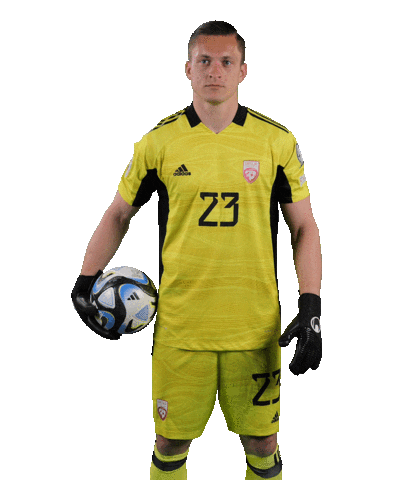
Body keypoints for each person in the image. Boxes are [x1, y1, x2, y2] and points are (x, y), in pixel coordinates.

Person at [72, 20, 322, 480]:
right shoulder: (159, 142)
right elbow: (118, 214)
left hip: (254, 327)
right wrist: (84, 282)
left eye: (226, 61)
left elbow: (304, 227)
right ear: (188, 68)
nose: (214, 71)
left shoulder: (277, 142)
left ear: (243, 70)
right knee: (169, 442)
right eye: (204, 60)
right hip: (180, 328)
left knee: (263, 443)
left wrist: (311, 308)